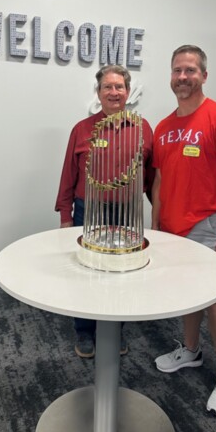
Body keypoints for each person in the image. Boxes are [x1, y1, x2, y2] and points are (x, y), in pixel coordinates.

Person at [151, 45, 216, 417]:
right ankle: (190, 351)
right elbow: (159, 181)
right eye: (177, 70)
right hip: (172, 227)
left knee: (213, 298)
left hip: (209, 224)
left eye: (190, 70)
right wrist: (156, 225)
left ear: (204, 75)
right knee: (187, 293)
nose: (182, 76)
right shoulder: (163, 126)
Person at [55, 65, 154, 358]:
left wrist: (157, 215)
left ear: (128, 92)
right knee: (86, 272)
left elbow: (151, 176)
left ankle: (114, 329)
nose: (114, 92)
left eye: (119, 87)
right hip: (88, 211)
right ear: (98, 93)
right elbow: (68, 174)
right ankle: (84, 331)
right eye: (107, 87)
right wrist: (65, 215)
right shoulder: (82, 129)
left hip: (127, 214)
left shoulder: (142, 128)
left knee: (122, 274)